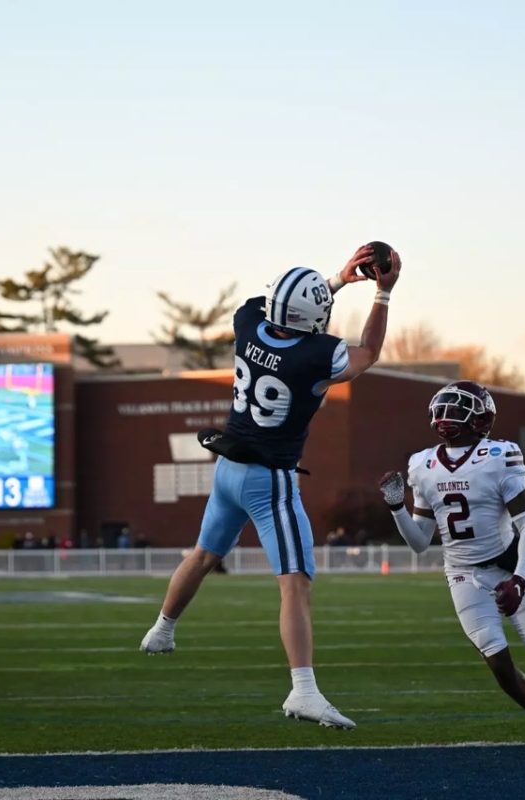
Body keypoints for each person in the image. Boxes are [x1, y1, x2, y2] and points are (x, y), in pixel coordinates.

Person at [139, 243, 401, 730]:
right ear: (313, 317)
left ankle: (161, 630)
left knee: (202, 555)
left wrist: (338, 280)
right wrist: (382, 293)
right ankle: (304, 691)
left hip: (228, 467)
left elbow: (277, 308)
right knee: (295, 584)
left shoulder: (247, 324)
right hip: (269, 478)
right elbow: (367, 353)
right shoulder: (313, 355)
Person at [378, 380, 525, 748]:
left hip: (505, 567)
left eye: (457, 407)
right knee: (499, 664)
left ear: (480, 417)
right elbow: (419, 542)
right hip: (462, 574)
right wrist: (397, 508)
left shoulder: (499, 456)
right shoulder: (423, 464)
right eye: (443, 406)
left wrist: (520, 580)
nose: (447, 414)